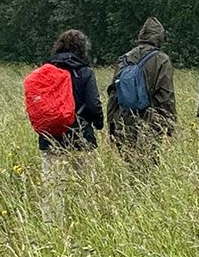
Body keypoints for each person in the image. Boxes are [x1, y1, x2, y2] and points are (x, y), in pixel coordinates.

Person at [26, 28, 104, 173]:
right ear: (83, 48)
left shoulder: (45, 71)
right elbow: (94, 105)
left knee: (54, 192)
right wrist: (99, 123)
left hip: (49, 140)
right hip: (81, 139)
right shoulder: (84, 72)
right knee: (85, 190)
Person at [107, 17, 176, 154]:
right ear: (160, 37)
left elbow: (113, 93)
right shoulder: (162, 60)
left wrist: (111, 125)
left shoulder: (124, 58)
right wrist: (170, 125)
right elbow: (166, 95)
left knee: (128, 163)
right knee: (148, 164)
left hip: (124, 118)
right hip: (150, 120)